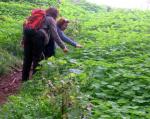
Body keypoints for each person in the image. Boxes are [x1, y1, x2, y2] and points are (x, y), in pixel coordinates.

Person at [22, 7, 68, 81]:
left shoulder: (37, 17)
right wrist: (63, 47)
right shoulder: (50, 19)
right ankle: (35, 81)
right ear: (55, 14)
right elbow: (55, 35)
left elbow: (27, 26)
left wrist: (23, 39)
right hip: (39, 38)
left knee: (27, 59)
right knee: (37, 59)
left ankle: (24, 80)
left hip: (28, 36)